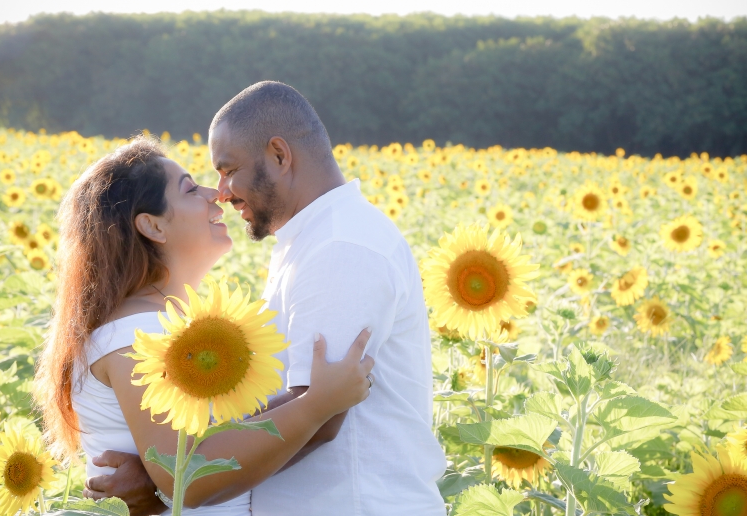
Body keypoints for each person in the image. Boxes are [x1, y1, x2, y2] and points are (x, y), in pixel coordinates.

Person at [84, 81, 447, 515]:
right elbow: (298, 405)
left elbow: (320, 413)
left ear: (279, 155)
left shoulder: (340, 247)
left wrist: (173, 478)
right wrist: (171, 468)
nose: (221, 191)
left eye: (228, 169)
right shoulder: (306, 242)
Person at [32, 136, 375, 516]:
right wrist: (317, 405)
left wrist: (153, 485)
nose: (216, 194)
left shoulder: (163, 325)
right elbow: (188, 479)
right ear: (152, 226)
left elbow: (199, 448)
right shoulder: (136, 336)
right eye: (191, 188)